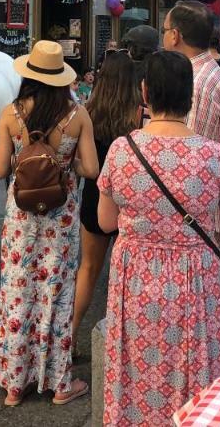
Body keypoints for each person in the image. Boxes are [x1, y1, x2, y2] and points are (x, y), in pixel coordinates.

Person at [97, 51, 220, 426]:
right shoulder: (211, 155)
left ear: (145, 92)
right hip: (193, 277)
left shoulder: (121, 149)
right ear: (191, 96)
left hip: (135, 276)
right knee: (192, 364)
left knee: (137, 364)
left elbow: (104, 222)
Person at [0, 41, 97, 407]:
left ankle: (14, 385)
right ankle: (59, 382)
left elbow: (1, 170)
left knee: (19, 292)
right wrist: (65, 166)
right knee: (57, 291)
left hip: (21, 217)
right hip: (60, 215)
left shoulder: (11, 114)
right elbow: (92, 169)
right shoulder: (77, 114)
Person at [72, 51, 141, 343]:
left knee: (87, 269)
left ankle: (70, 338)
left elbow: (81, 162)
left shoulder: (88, 111)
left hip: (94, 198)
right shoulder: (137, 114)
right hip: (129, 201)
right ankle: (120, 340)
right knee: (123, 276)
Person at [163, 1, 220, 154]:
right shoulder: (200, 70)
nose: (163, 37)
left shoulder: (197, 82)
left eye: (164, 30)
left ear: (174, 35)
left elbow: (190, 153)